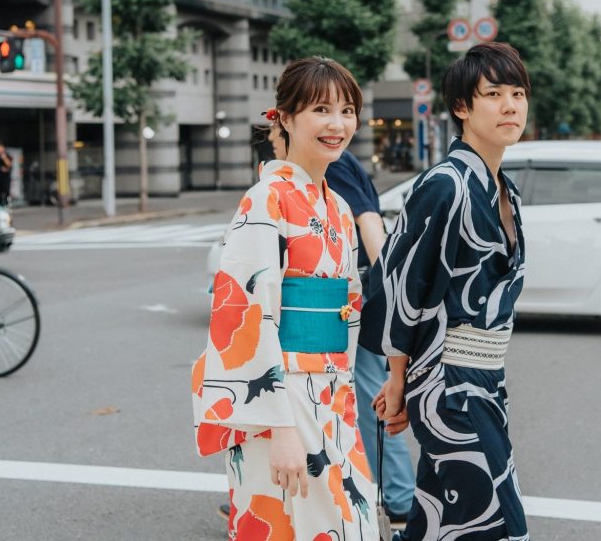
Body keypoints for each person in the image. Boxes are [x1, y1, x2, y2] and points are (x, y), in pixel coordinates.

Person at [191, 56, 378, 541]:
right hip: (283, 397)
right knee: (295, 526)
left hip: (332, 395)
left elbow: (348, 311)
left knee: (347, 524)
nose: (337, 124)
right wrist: (279, 427)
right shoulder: (266, 199)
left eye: (347, 110)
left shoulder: (337, 205)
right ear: (286, 118)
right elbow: (245, 311)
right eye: (321, 109)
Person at [361, 42, 531, 541]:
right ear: (461, 107)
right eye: (493, 94)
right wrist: (398, 381)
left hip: (485, 380)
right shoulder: (446, 184)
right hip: (450, 384)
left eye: (518, 93)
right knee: (499, 525)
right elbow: (402, 283)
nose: (510, 106)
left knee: (437, 523)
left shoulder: (504, 189)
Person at [325, 149, 416, 524]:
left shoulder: (330, 161)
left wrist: (387, 286)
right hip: (345, 293)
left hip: (344, 295)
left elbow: (368, 220)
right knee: (352, 392)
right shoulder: (321, 160)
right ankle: (399, 495)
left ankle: (401, 495)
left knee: (362, 393)